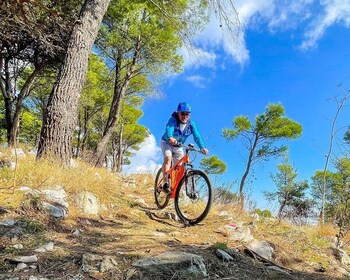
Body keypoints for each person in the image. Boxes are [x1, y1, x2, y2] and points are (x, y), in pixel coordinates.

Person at [160, 101, 208, 194]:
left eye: (187, 114)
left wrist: (202, 147)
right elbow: (169, 127)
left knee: (181, 166)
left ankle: (177, 187)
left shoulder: (191, 124)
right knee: (168, 159)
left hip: (178, 146)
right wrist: (170, 136)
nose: (185, 116)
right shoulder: (173, 120)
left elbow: (197, 136)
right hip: (167, 142)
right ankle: (165, 183)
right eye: (182, 114)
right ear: (178, 113)